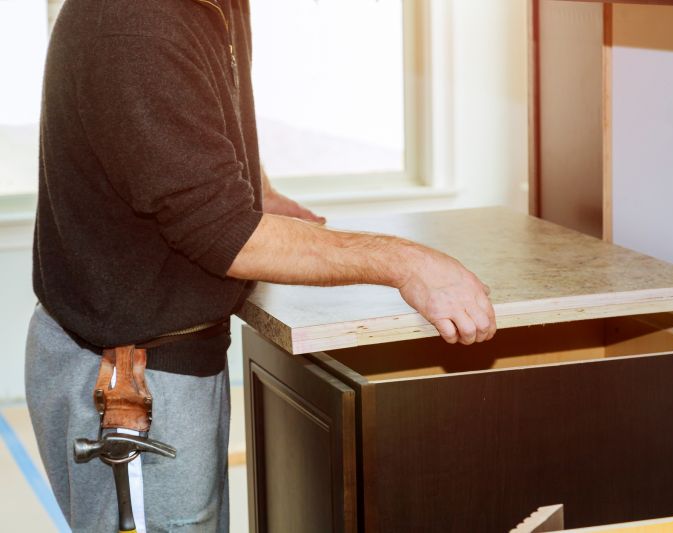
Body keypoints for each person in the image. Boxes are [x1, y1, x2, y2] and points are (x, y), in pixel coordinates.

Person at [26, 0, 496, 531]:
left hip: (169, 352)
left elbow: (202, 108)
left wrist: (258, 189)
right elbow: (226, 236)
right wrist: (407, 263)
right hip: (127, 379)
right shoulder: (134, 25)